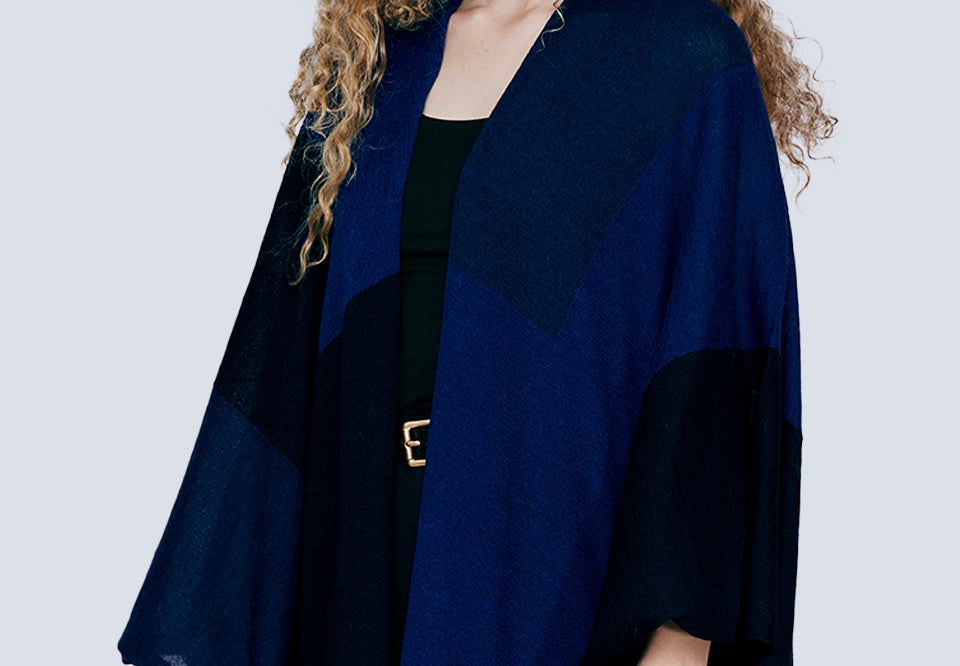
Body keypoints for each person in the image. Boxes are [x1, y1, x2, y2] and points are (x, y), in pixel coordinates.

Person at [118, 1, 836, 664]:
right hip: (365, 572)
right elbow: (279, 372)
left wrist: (678, 644)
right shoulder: (376, 65)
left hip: (556, 571)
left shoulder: (681, 54)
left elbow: (713, 383)